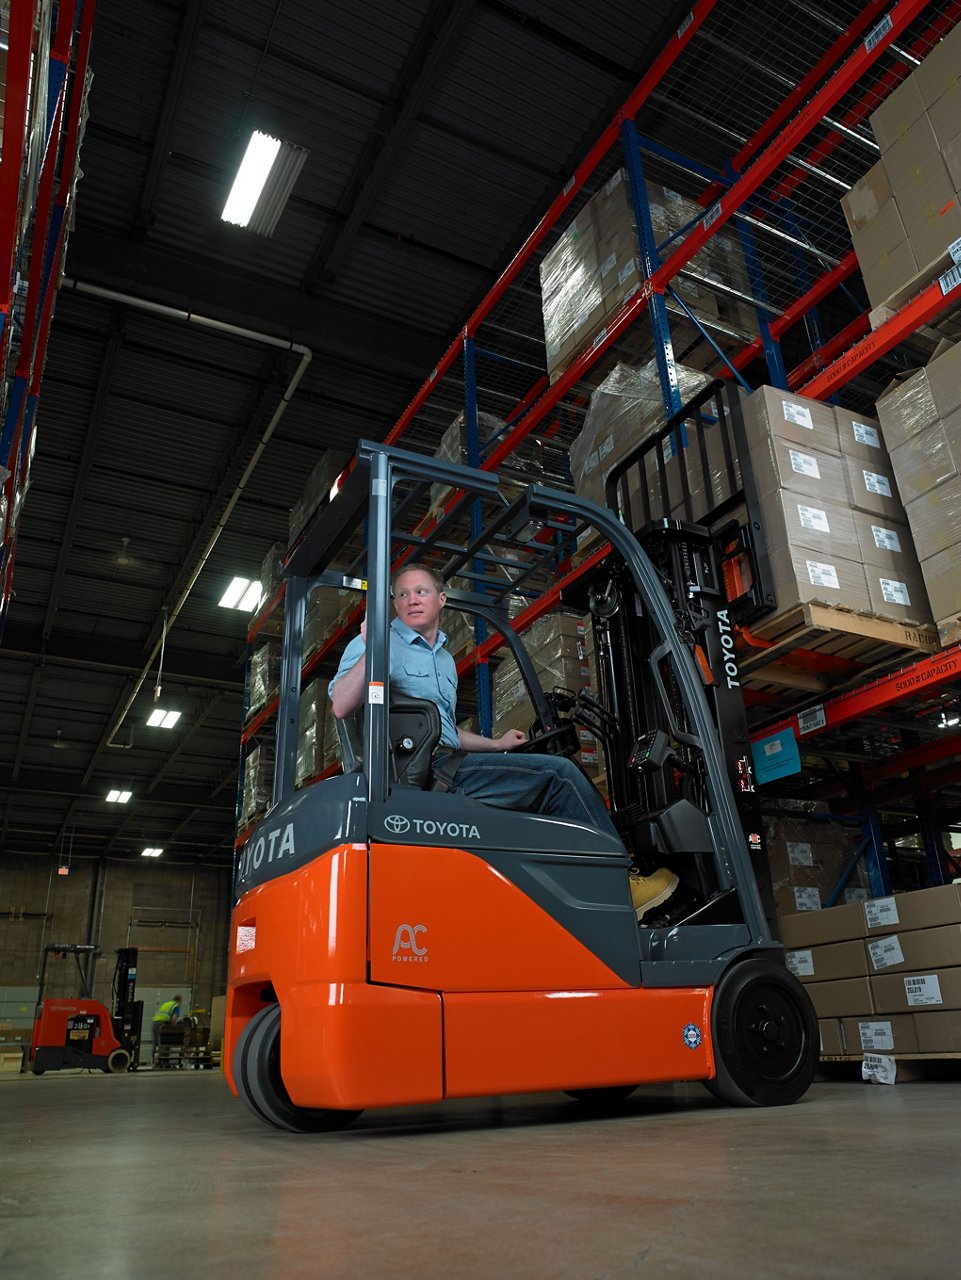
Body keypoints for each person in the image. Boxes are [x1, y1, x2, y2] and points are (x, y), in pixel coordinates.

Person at [329, 563, 680, 921]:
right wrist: (372, 646)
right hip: (419, 775)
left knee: (539, 803)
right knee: (560, 778)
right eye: (402, 594)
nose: (411, 600)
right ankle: (619, 887)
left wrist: (497, 745)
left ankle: (573, 906)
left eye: (421, 591)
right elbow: (342, 704)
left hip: (446, 762)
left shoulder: (446, 661)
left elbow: (440, 727)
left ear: (441, 599)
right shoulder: (376, 642)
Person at [151, 994, 182, 1065]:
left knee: (156, 1042)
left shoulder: (166, 1004)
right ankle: (163, 1062)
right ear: (179, 1001)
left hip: (155, 1022)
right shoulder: (176, 1005)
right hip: (162, 1024)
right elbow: (174, 1018)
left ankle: (154, 1061)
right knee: (164, 1042)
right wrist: (172, 1028)